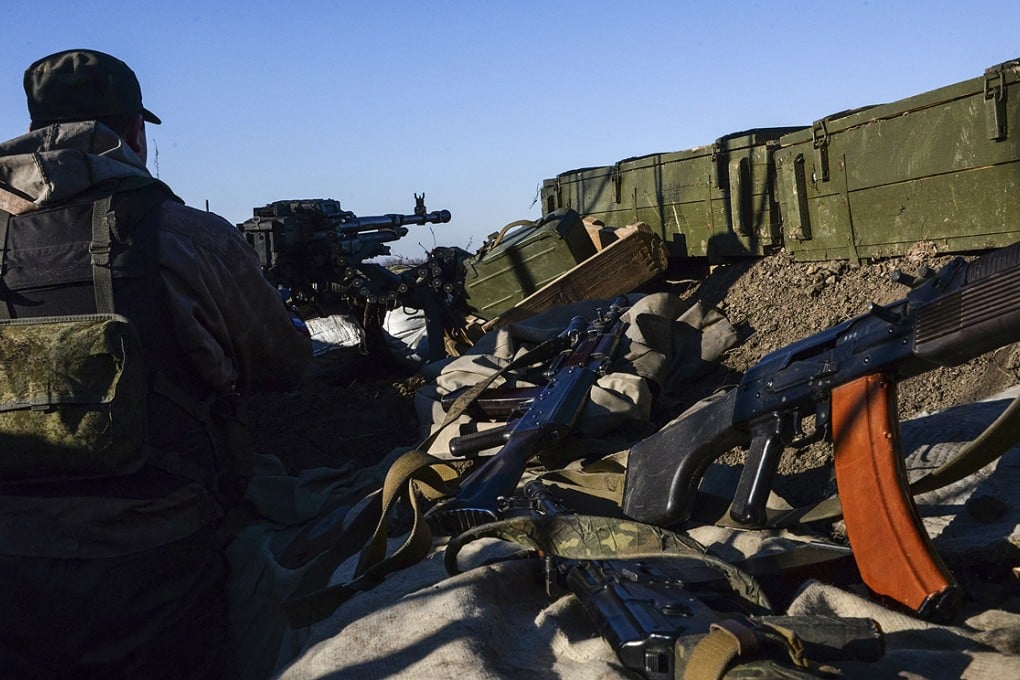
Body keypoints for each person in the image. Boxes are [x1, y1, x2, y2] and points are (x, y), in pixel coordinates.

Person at [0, 49, 312, 679]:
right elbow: (284, 365)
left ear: (34, 124)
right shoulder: (184, 232)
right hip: (165, 557)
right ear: (133, 133)